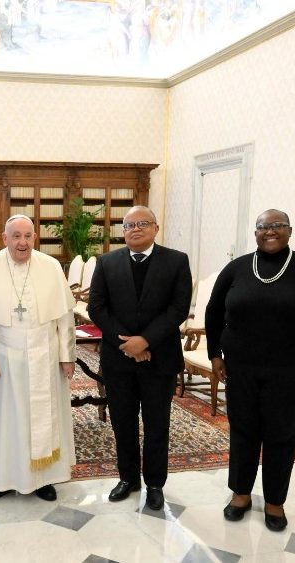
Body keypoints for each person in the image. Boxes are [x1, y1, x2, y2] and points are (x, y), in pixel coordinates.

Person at [207, 209, 295, 532]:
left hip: (290, 370)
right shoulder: (237, 268)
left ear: (290, 231)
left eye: (277, 226)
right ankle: (240, 494)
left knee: (281, 435)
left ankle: (274, 502)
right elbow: (213, 311)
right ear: (255, 233)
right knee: (243, 431)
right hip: (240, 367)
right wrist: (215, 355)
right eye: (263, 227)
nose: (270, 232)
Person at [0, 214, 77, 501]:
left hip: (46, 357)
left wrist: (67, 356)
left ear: (34, 238)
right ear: (4, 238)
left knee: (45, 419)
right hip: (3, 358)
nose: (22, 242)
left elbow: (65, 318)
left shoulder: (51, 266)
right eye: (16, 236)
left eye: (28, 236)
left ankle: (44, 478)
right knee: (3, 420)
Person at [87, 205, 191, 511]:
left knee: (157, 423)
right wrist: (128, 344)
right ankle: (128, 478)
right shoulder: (107, 262)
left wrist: (145, 340)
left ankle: (155, 483)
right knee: (123, 421)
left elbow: (178, 308)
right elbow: (97, 307)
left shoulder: (176, 261)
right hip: (119, 360)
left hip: (160, 358)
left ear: (156, 228)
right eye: (129, 225)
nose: (135, 229)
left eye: (142, 224)